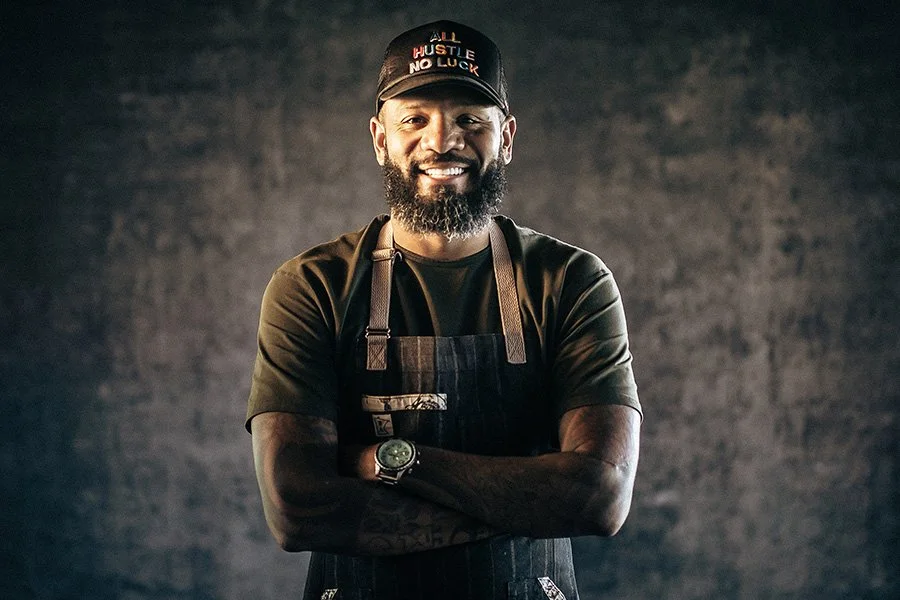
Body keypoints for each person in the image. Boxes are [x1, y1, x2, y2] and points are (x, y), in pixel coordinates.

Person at [246, 20, 642, 600]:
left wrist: (386, 460)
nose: (442, 142)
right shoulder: (313, 286)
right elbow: (297, 509)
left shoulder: (572, 282)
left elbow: (600, 497)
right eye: (415, 120)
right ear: (380, 138)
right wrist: (526, 504)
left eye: (468, 120)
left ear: (505, 138)